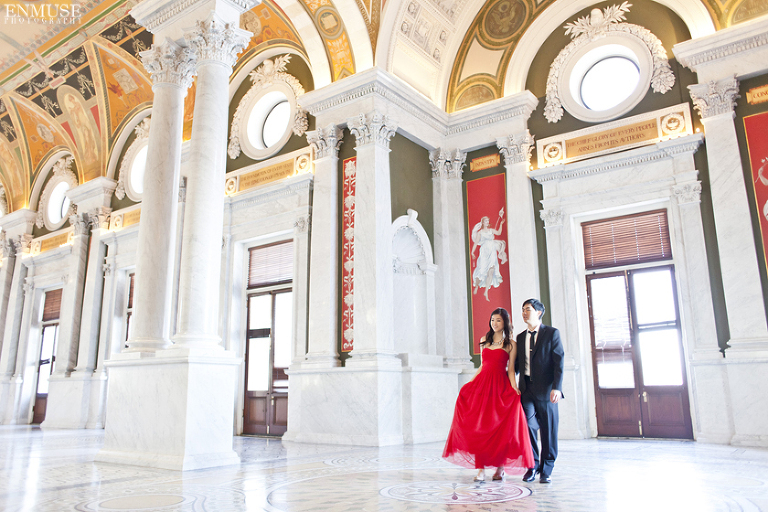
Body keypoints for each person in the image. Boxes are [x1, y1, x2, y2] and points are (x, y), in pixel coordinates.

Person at [443, 308, 534, 482]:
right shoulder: (484, 340)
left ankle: (500, 469)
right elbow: (482, 366)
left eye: (498, 320)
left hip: (500, 387)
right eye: (492, 320)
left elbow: (511, 370)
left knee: (499, 429)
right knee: (480, 428)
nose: (494, 323)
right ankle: (480, 470)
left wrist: (514, 388)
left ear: (505, 322)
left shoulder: (511, 344)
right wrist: (470, 383)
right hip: (483, 386)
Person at [515, 299, 564, 484]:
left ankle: (546, 469)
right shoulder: (520, 337)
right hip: (526, 390)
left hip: (546, 391)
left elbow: (559, 362)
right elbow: (518, 365)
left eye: (528, 309)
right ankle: (532, 466)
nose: (524, 313)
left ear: (539, 312)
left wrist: (557, 388)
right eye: (522, 310)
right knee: (528, 427)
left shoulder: (552, 333)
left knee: (548, 429)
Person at [470, 212, 507, 301]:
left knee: (491, 270)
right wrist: (472, 252)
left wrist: (501, 224)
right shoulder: (480, 232)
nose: (487, 222)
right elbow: (476, 243)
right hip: (484, 251)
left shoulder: (491, 230)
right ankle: (476, 286)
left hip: (492, 251)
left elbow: (498, 232)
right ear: (483, 222)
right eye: (486, 221)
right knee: (482, 270)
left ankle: (486, 291)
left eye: (488, 221)